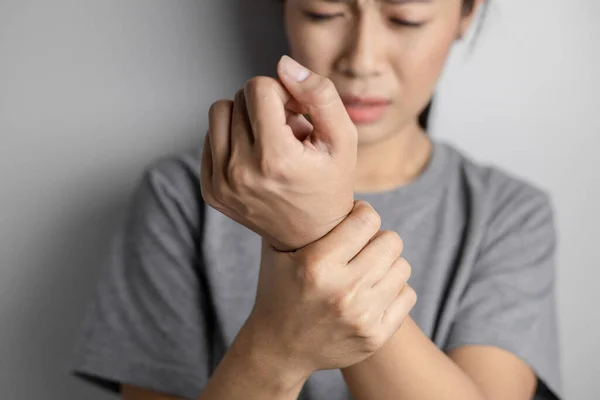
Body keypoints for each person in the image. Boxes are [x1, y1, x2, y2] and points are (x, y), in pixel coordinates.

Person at [72, 0, 561, 399]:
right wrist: (280, 344)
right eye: (323, 13)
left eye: (405, 18)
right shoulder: (183, 196)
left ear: (466, 14)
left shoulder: (507, 213)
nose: (362, 59)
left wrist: (313, 232)